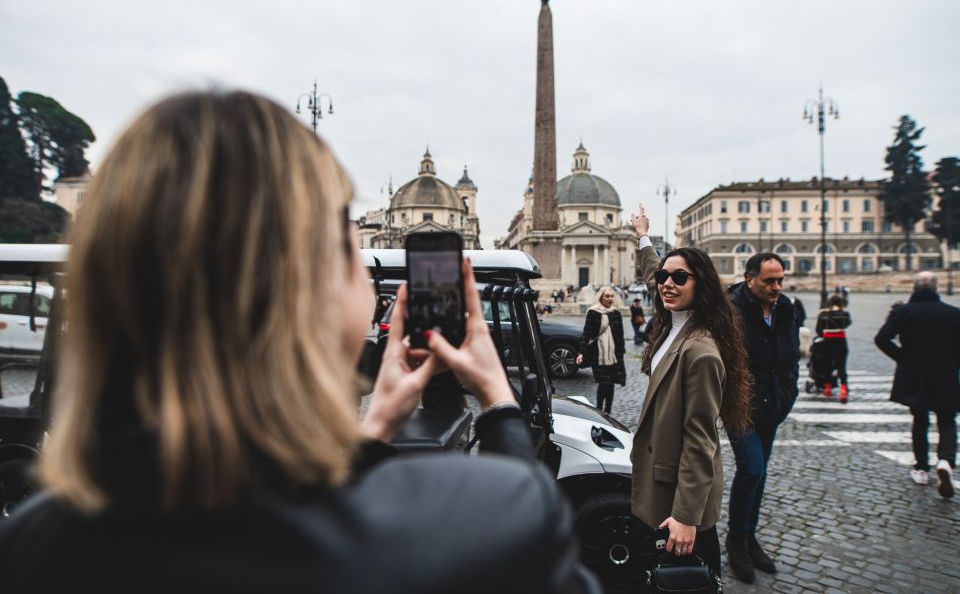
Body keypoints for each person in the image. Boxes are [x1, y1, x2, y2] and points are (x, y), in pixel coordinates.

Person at [0, 90, 599, 594]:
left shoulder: (33, 544)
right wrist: (498, 403)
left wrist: (374, 431)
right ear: (326, 293)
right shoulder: (487, 518)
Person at [629, 206, 752, 580]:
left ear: (702, 285)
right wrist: (643, 236)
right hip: (662, 480)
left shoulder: (700, 352)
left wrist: (686, 517)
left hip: (679, 498)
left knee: (686, 580)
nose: (667, 283)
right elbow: (654, 273)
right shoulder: (674, 322)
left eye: (680, 277)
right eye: (666, 276)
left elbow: (701, 441)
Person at [725, 252, 800, 583]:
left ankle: (749, 537)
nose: (777, 286)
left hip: (773, 404)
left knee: (762, 473)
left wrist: (789, 392)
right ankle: (735, 540)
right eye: (770, 280)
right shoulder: (731, 311)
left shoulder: (786, 309)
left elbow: (791, 356)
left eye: (780, 279)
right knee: (751, 468)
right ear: (749, 279)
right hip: (740, 404)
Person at [875, 271, 960, 498]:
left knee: (920, 420)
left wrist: (903, 358)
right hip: (946, 374)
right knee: (947, 419)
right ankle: (945, 460)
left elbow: (881, 339)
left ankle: (921, 468)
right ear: (936, 287)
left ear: (914, 287)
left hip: (914, 374)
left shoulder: (903, 312)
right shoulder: (953, 313)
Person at [575, 286, 626, 413]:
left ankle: (607, 410)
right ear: (601, 297)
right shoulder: (593, 312)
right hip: (598, 354)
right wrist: (581, 352)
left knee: (611, 383)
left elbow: (620, 335)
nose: (610, 299)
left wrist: (621, 352)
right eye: (607, 296)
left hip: (613, 355)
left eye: (611, 296)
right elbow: (586, 334)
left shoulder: (616, 313)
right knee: (604, 382)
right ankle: (599, 410)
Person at [815, 294, 852, 402]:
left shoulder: (823, 314)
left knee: (827, 364)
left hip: (827, 341)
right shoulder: (845, 314)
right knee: (841, 366)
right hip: (841, 341)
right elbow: (847, 324)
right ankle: (844, 389)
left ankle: (827, 388)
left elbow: (818, 329)